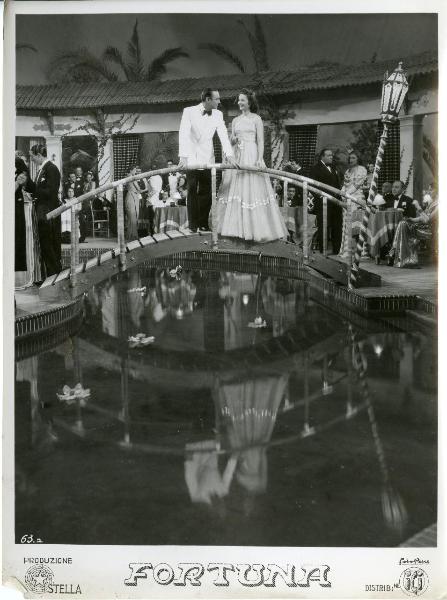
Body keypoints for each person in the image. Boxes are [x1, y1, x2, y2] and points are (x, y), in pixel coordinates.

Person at [216, 89, 288, 242]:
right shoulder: (235, 120)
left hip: (251, 152)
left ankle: (255, 229)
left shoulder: (256, 119)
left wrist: (260, 158)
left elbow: (260, 140)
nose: (240, 103)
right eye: (239, 100)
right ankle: (235, 229)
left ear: (249, 102)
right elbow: (230, 140)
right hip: (238, 155)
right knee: (237, 188)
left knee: (251, 188)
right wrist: (233, 140)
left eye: (243, 100)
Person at [178, 88, 237, 232]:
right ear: (208, 99)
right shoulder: (189, 111)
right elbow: (184, 133)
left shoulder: (218, 114)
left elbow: (223, 134)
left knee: (207, 191)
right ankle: (193, 225)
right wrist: (183, 156)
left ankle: (203, 223)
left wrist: (229, 154)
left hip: (207, 156)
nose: (219, 101)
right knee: (191, 189)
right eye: (217, 99)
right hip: (191, 157)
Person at [29, 145, 62, 277]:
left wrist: (33, 190)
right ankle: (49, 274)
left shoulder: (51, 169)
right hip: (42, 211)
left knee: (49, 243)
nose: (31, 159)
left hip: (48, 212)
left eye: (32, 156)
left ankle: (54, 274)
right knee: (45, 243)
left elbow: (51, 192)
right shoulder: (42, 169)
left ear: (38, 155)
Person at [387, 193, 437, 267]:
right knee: (403, 222)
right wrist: (411, 219)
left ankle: (397, 255)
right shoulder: (432, 203)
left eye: (431, 189)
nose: (429, 192)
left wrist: (418, 206)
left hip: (429, 229)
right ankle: (398, 255)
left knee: (403, 224)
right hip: (422, 226)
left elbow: (427, 220)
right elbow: (421, 218)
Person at [308, 148, 342, 254]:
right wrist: (320, 196)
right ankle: (324, 250)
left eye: (332, 155)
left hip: (336, 202)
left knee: (337, 226)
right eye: (329, 155)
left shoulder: (333, 168)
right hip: (323, 202)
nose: (331, 157)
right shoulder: (315, 169)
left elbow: (336, 184)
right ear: (322, 156)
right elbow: (311, 185)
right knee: (324, 226)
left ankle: (337, 250)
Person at [338, 152, 367, 258]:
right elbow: (345, 185)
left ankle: (360, 251)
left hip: (357, 199)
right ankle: (346, 250)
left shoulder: (362, 169)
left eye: (354, 158)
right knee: (346, 225)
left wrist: (347, 195)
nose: (351, 160)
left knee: (357, 225)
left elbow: (357, 184)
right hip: (347, 199)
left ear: (358, 159)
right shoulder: (347, 171)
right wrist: (342, 194)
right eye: (350, 158)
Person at [124, 167, 141, 241]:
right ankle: (132, 235)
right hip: (132, 196)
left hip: (130, 196)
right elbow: (138, 188)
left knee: (131, 216)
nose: (135, 171)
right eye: (134, 170)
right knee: (133, 215)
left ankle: (131, 235)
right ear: (131, 170)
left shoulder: (126, 176)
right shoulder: (132, 177)